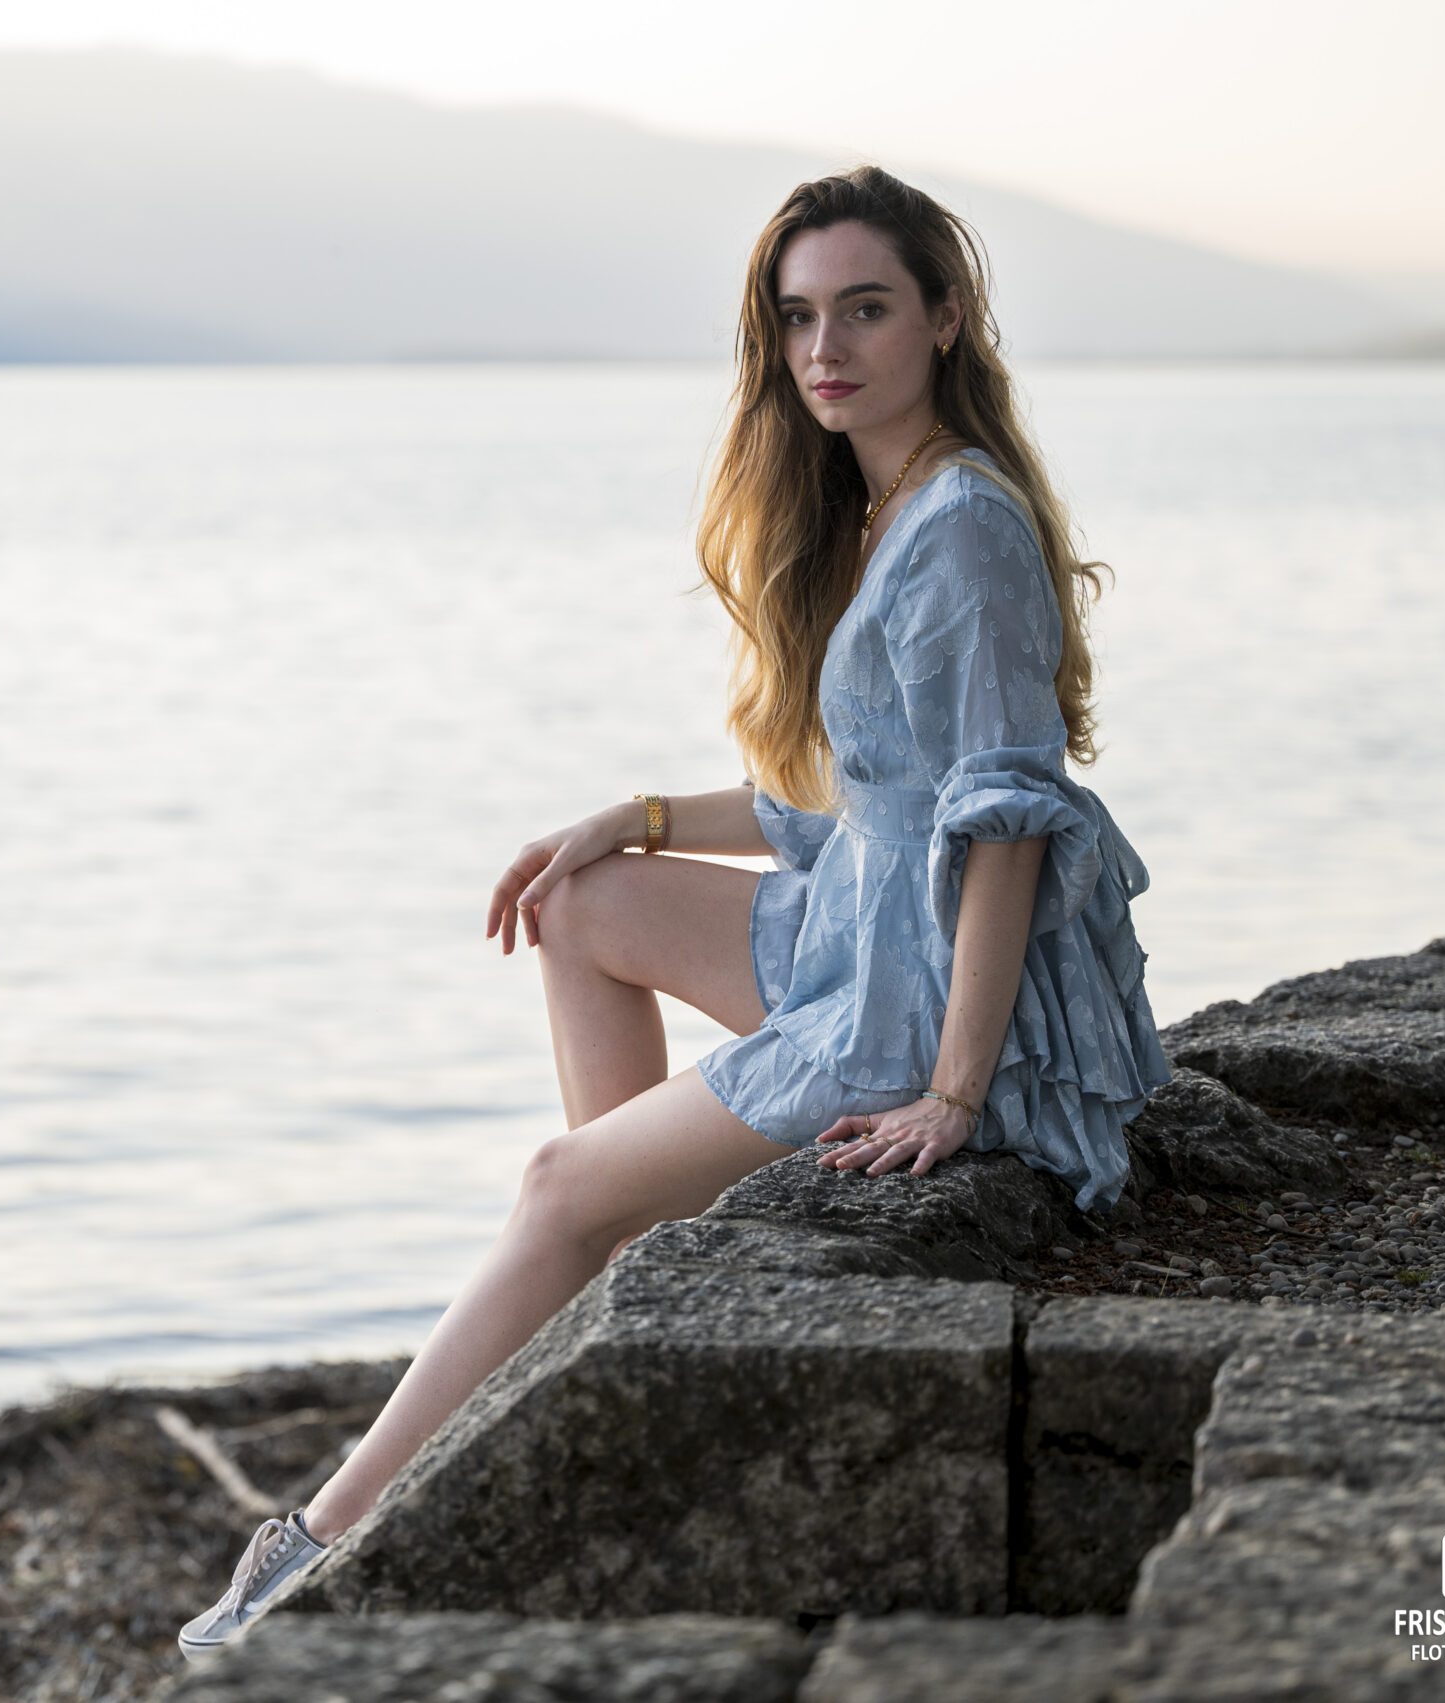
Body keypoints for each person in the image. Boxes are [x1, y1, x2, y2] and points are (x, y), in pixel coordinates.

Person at [176, 164, 1171, 1662]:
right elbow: (860, 809)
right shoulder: (887, 502)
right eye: (797, 319)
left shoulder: (962, 524)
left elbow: (1002, 830)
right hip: (865, 930)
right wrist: (630, 821)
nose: (825, 347)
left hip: (919, 1000)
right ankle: (637, 1286)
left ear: (948, 320)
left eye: (866, 309)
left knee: (557, 1184)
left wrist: (956, 1093)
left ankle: (314, 1546)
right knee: (582, 903)